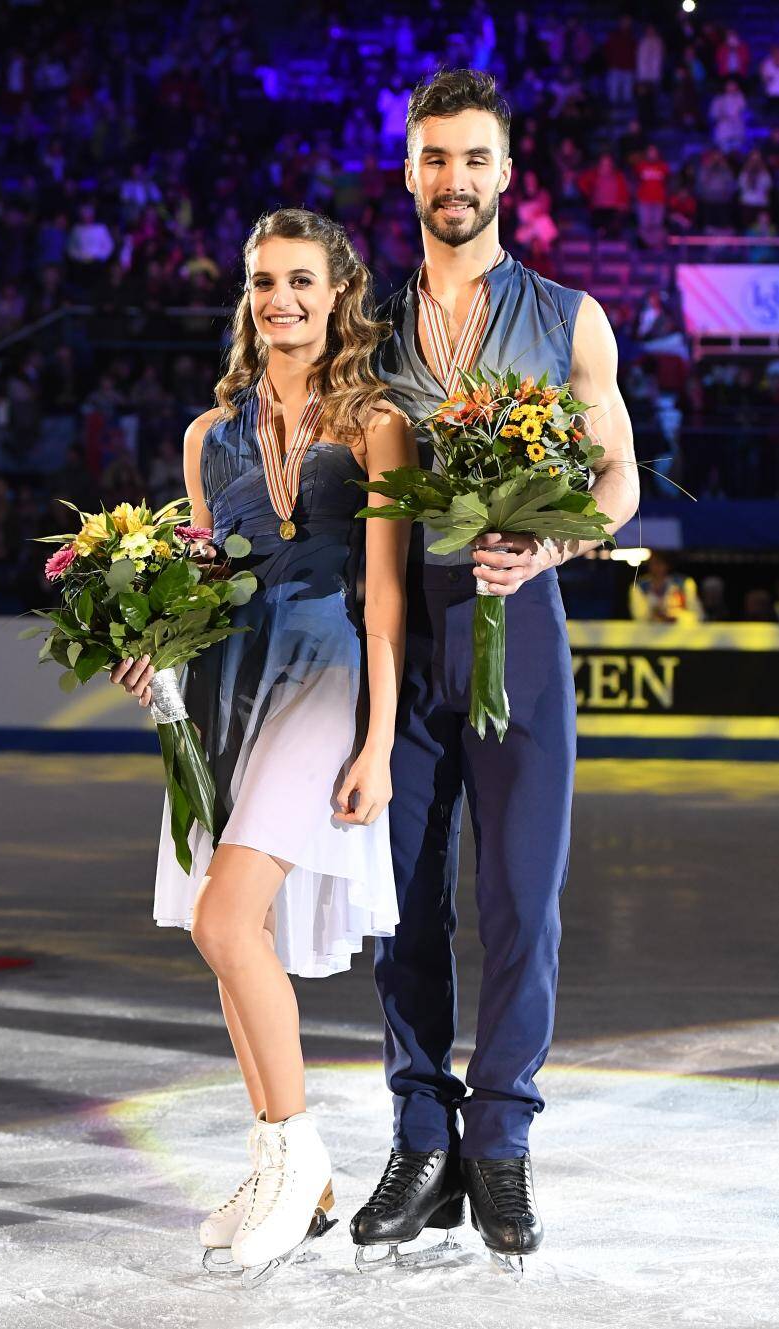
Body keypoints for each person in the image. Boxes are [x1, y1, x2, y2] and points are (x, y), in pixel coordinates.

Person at [350, 70, 639, 1271]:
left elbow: (618, 480)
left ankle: (501, 1145)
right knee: (401, 909)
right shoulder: (370, 330)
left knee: (523, 902)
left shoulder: (570, 316)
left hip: (518, 631)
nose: (453, 181)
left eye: (474, 159)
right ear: (408, 169)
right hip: (397, 637)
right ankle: (422, 1137)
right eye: (433, 158)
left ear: (508, 171)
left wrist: (560, 537)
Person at [111, 208, 414, 1279]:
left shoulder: (377, 422)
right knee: (232, 936)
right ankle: (296, 1169)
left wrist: (379, 740)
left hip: (326, 675)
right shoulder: (210, 436)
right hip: (232, 683)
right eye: (262, 281)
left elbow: (386, 597)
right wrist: (152, 645)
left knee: (226, 914)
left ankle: (295, 1152)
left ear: (338, 293)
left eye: (299, 280)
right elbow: (201, 582)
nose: (279, 298)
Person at [629, 551, 702, 624]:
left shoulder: (684, 583)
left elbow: (698, 615)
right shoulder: (639, 586)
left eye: (660, 563)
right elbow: (639, 617)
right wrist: (655, 612)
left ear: (667, 564)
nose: (656, 567)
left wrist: (676, 616)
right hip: (651, 631)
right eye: (653, 563)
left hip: (680, 630)